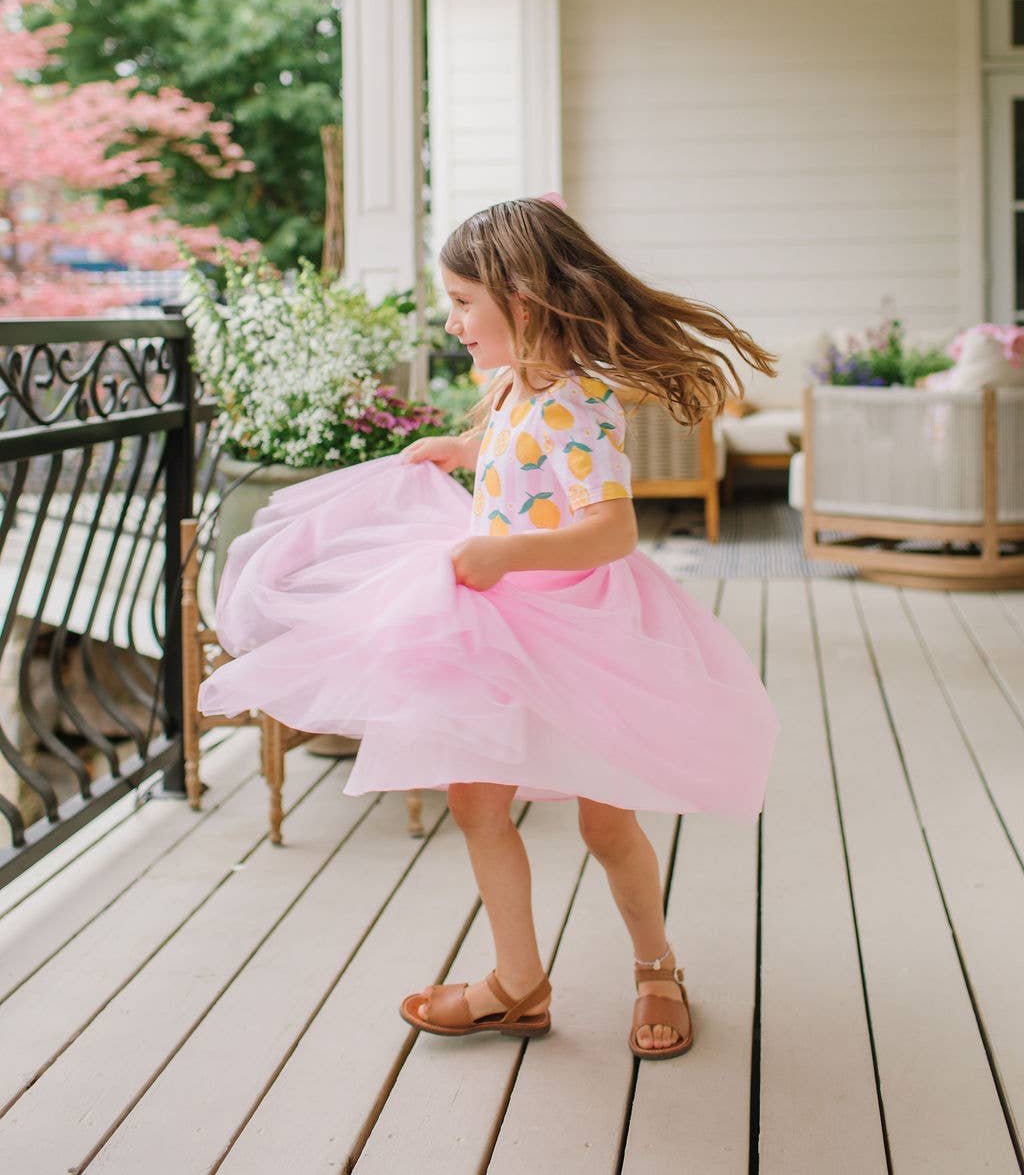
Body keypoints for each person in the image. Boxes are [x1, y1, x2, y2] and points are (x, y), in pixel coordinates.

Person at [199, 194, 780, 1061]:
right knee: (475, 800)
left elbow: (613, 529)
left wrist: (504, 555)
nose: (452, 318)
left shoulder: (577, 407)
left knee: (604, 823)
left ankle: (657, 966)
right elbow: (515, 457)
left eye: (465, 301)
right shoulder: (515, 388)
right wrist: (461, 452)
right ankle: (518, 982)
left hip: (577, 629)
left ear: (525, 300)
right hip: (500, 624)